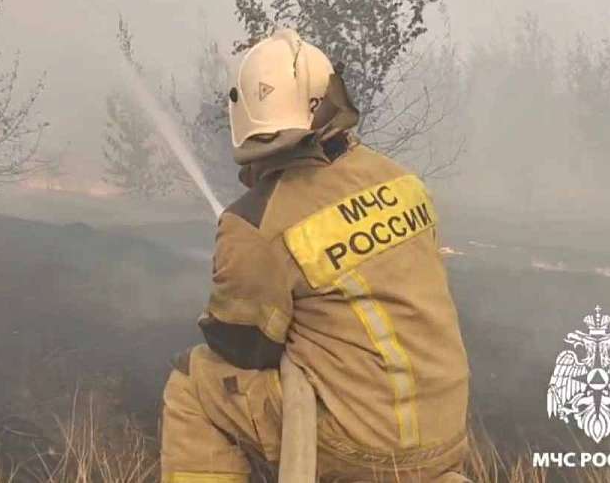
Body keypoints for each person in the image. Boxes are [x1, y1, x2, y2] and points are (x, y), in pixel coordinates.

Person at [160, 29, 471, 483]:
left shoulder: (254, 221)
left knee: (193, 382)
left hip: (359, 444)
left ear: (245, 118)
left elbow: (243, 346)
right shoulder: (402, 180)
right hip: (445, 433)